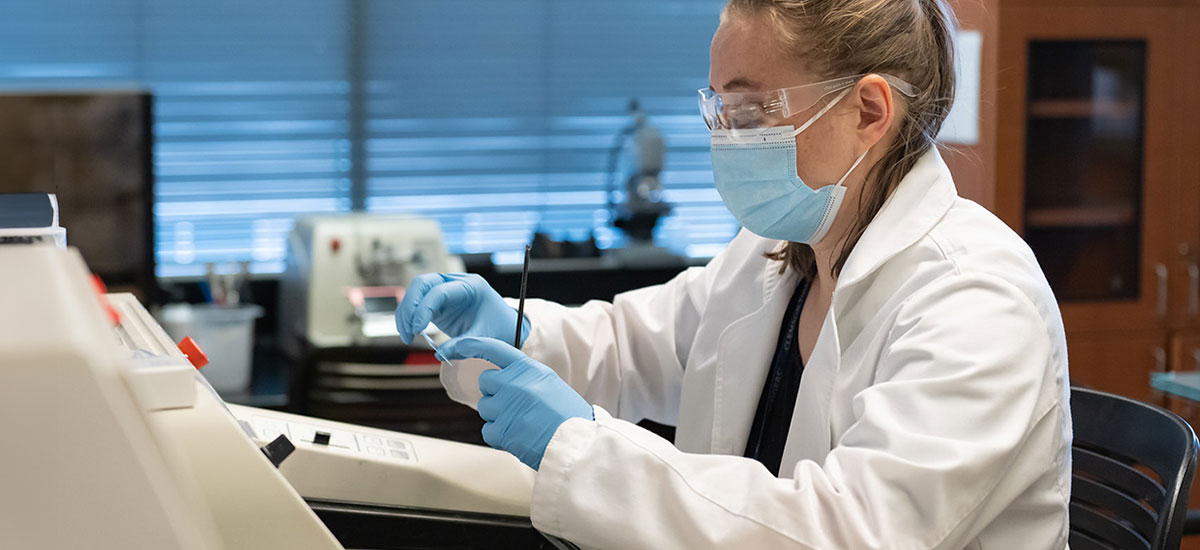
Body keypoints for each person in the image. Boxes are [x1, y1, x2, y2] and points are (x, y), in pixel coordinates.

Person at [396, 0, 1071, 547]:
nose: (726, 137)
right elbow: (641, 345)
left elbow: (856, 532)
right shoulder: (779, 250)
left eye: (750, 111)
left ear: (868, 111)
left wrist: (584, 451)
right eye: (718, 108)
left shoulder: (977, 298)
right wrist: (512, 332)